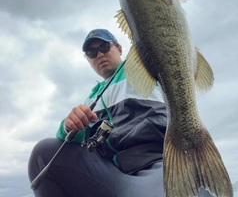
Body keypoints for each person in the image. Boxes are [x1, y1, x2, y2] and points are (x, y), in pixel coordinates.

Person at [28, 28, 168, 197]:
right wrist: (68, 126)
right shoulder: (91, 99)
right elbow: (73, 141)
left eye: (105, 47)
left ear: (120, 49)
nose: (99, 54)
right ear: (88, 60)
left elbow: (157, 45)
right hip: (109, 173)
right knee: (43, 153)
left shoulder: (143, 68)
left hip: (156, 162)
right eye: (92, 52)